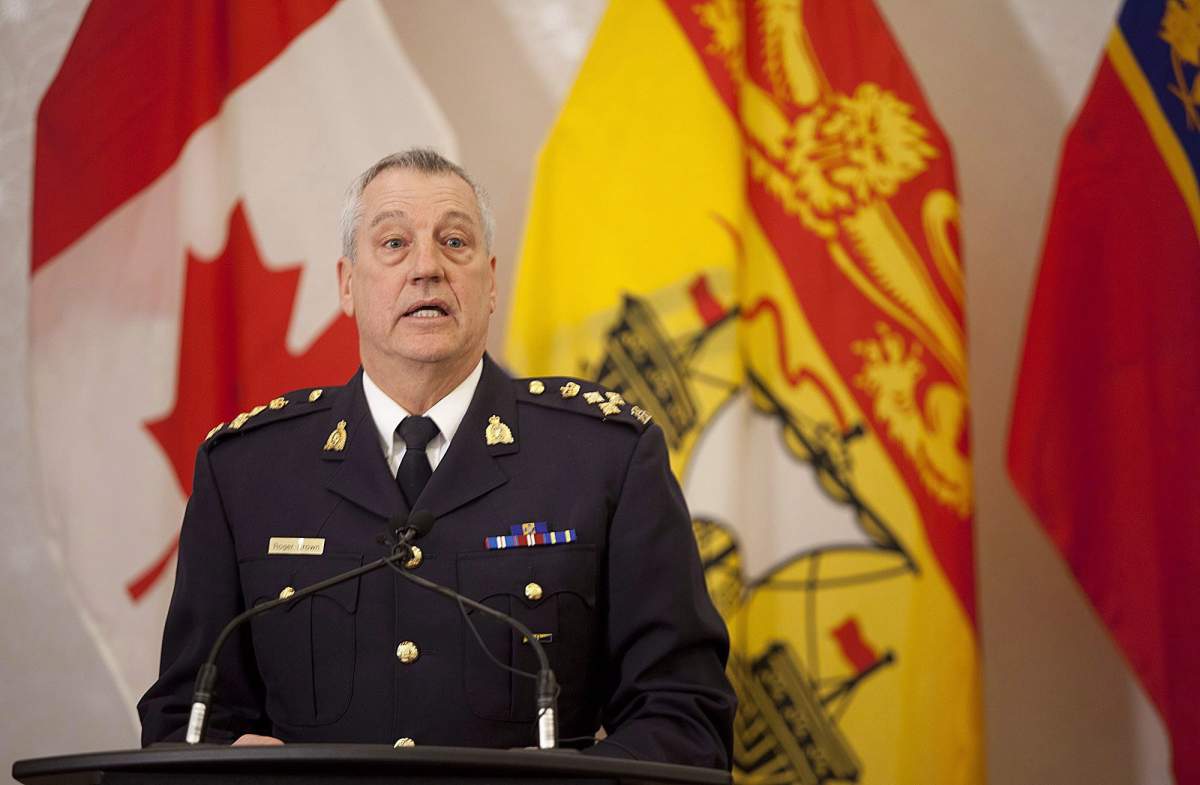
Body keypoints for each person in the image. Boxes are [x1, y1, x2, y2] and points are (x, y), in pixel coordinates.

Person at [137, 149, 735, 768]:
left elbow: (686, 717)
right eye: (394, 243)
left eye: (454, 242)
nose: (427, 267)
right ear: (347, 283)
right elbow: (183, 717)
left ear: (492, 280)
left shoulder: (606, 459)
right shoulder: (247, 472)